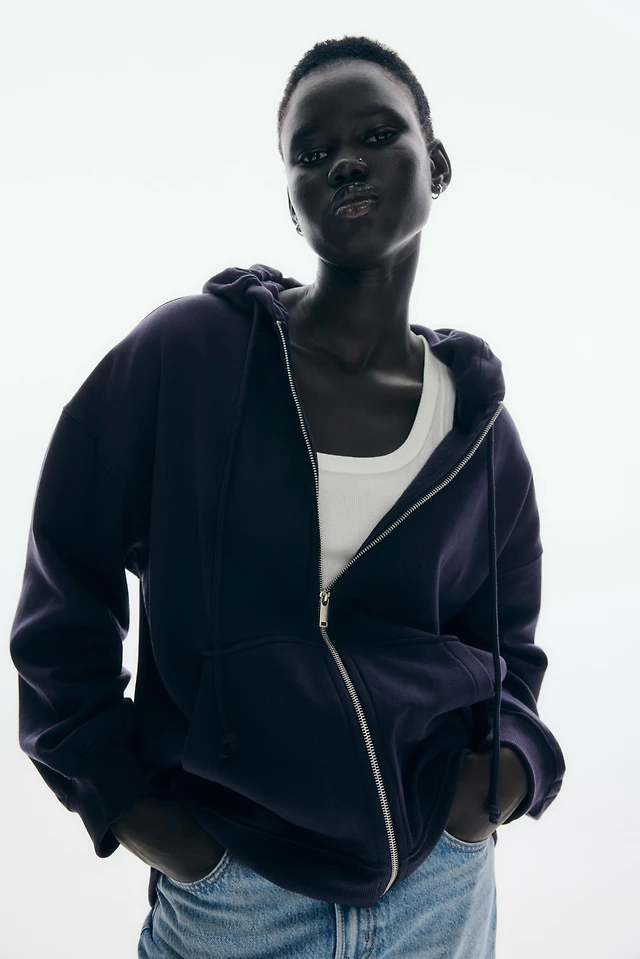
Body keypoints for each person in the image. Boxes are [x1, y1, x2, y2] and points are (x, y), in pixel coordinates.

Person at [9, 35, 566, 959]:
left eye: (377, 134)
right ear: (292, 203)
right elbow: (63, 585)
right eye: (312, 152)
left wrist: (498, 781)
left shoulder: (477, 433)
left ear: (436, 164)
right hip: (234, 896)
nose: (344, 160)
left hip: (438, 889)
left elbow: (508, 649)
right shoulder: (188, 358)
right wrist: (136, 808)